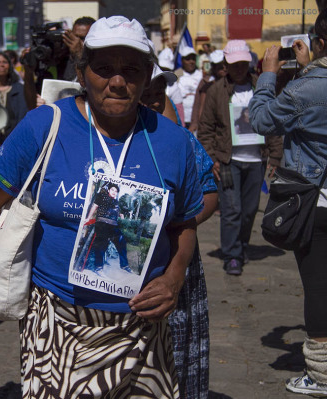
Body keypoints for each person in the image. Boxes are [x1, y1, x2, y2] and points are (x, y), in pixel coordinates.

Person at [0, 16, 203, 398]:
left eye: (131, 70)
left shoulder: (173, 141)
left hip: (142, 329)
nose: (117, 81)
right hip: (55, 323)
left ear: (148, 75)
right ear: (82, 73)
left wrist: (173, 278)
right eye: (103, 69)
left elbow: (184, 224)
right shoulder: (44, 125)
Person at [249, 10, 327, 395]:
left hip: (317, 203)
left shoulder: (308, 88)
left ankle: (321, 375)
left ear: (320, 44)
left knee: (318, 286)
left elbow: (262, 120)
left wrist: (267, 73)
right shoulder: (311, 81)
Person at [140, 63, 218, 399]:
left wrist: (180, 222)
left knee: (176, 341)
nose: (156, 99)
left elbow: (210, 193)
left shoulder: (181, 139)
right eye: (149, 91)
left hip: (176, 255)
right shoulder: (102, 141)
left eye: (161, 91)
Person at [198, 40, 282, 276]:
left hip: (257, 160)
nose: (239, 68)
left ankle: (242, 245)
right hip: (228, 160)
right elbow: (206, 129)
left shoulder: (262, 89)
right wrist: (212, 158)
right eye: (234, 64)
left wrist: (275, 157)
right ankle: (232, 255)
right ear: (226, 65)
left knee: (249, 210)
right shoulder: (216, 91)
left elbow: (274, 124)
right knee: (232, 210)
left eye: (243, 63)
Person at [84, 183, 129, 273]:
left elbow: (119, 214)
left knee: (121, 241)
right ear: (108, 190)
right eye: (112, 190)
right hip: (102, 224)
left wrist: (122, 217)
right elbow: (95, 206)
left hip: (113, 226)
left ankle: (124, 265)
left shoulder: (116, 202)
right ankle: (98, 267)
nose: (114, 192)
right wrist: (88, 218)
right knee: (101, 244)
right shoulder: (102, 196)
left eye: (116, 191)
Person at [189, 49, 227, 133]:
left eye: (225, 65)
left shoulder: (230, 83)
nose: (224, 69)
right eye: (220, 67)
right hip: (209, 124)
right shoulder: (205, 83)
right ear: (214, 67)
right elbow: (198, 104)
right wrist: (195, 123)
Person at [175, 46, 203, 130]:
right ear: (182, 60)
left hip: (198, 120)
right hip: (182, 120)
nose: (191, 62)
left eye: (193, 59)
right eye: (188, 59)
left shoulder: (201, 75)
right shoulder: (176, 75)